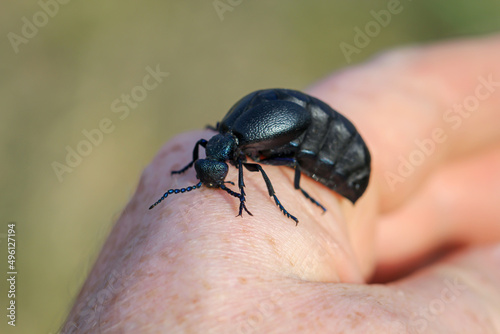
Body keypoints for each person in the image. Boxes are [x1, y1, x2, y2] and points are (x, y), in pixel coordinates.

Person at [63, 34, 500, 333]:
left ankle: (301, 193)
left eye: (214, 176)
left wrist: (289, 199)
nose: (217, 180)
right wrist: (188, 174)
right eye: (210, 177)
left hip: (302, 132)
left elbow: (274, 162)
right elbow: (208, 155)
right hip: (282, 122)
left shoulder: (236, 148)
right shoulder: (215, 146)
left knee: (281, 167)